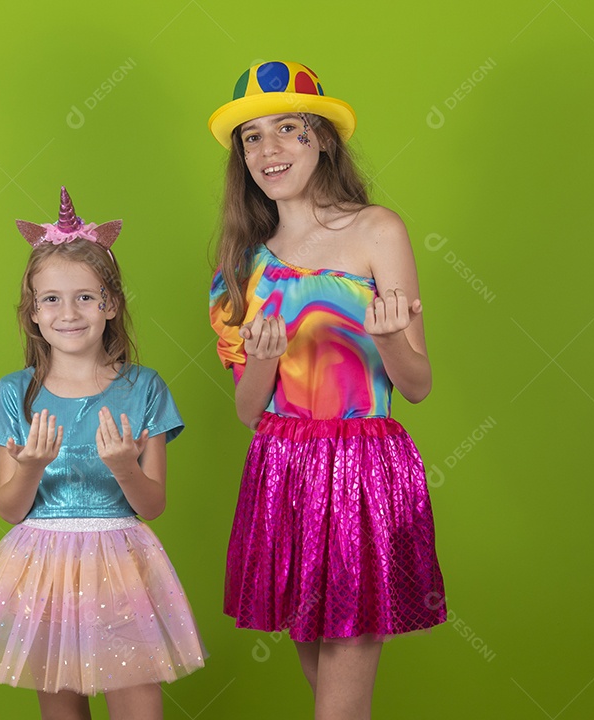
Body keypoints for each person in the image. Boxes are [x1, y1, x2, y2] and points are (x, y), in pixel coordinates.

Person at [207, 61, 447, 718]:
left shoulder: (378, 231)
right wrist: (263, 360)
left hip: (365, 471)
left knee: (338, 704)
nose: (270, 149)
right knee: (334, 699)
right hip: (281, 471)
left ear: (323, 141)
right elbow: (247, 409)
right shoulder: (240, 264)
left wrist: (392, 336)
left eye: (289, 129)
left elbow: (417, 385)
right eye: (252, 137)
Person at [0, 187, 205, 720]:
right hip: (43, 570)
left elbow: (152, 505)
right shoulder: (15, 395)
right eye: (52, 299)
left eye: (85, 296)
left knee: (139, 708)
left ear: (110, 304)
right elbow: (10, 509)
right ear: (33, 313)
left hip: (123, 564)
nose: (69, 312)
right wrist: (30, 467)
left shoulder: (144, 388)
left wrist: (126, 468)